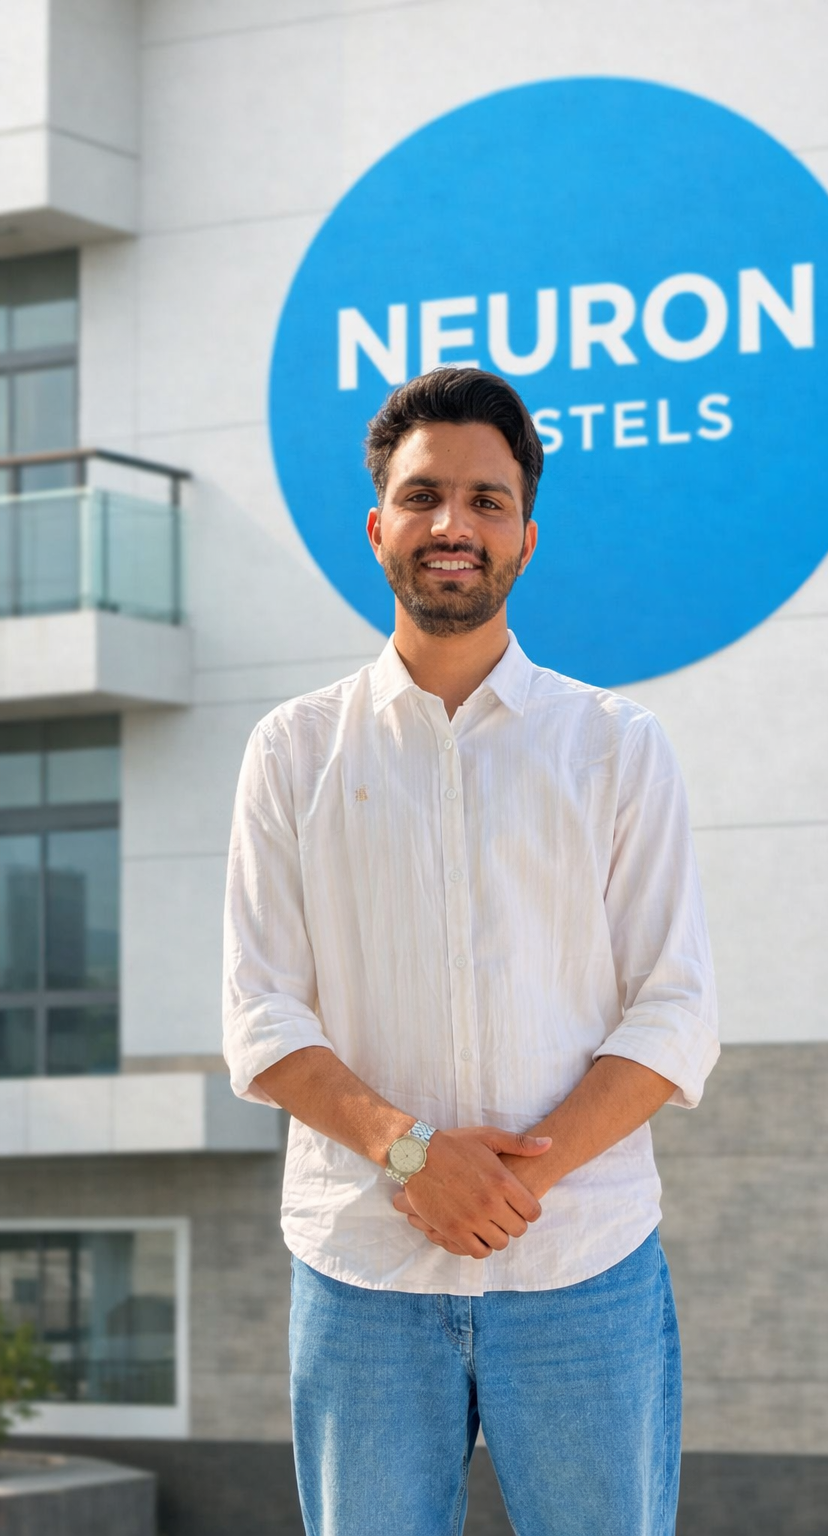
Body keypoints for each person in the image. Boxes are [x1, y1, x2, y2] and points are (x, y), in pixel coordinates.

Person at [222, 366, 720, 1536]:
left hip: (583, 1267)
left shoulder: (616, 746)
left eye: (486, 500)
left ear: (525, 538)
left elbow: (674, 1010)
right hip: (361, 1275)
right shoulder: (293, 752)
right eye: (423, 495)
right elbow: (261, 1015)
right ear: (377, 526)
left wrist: (506, 1186)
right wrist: (411, 1157)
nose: (454, 523)